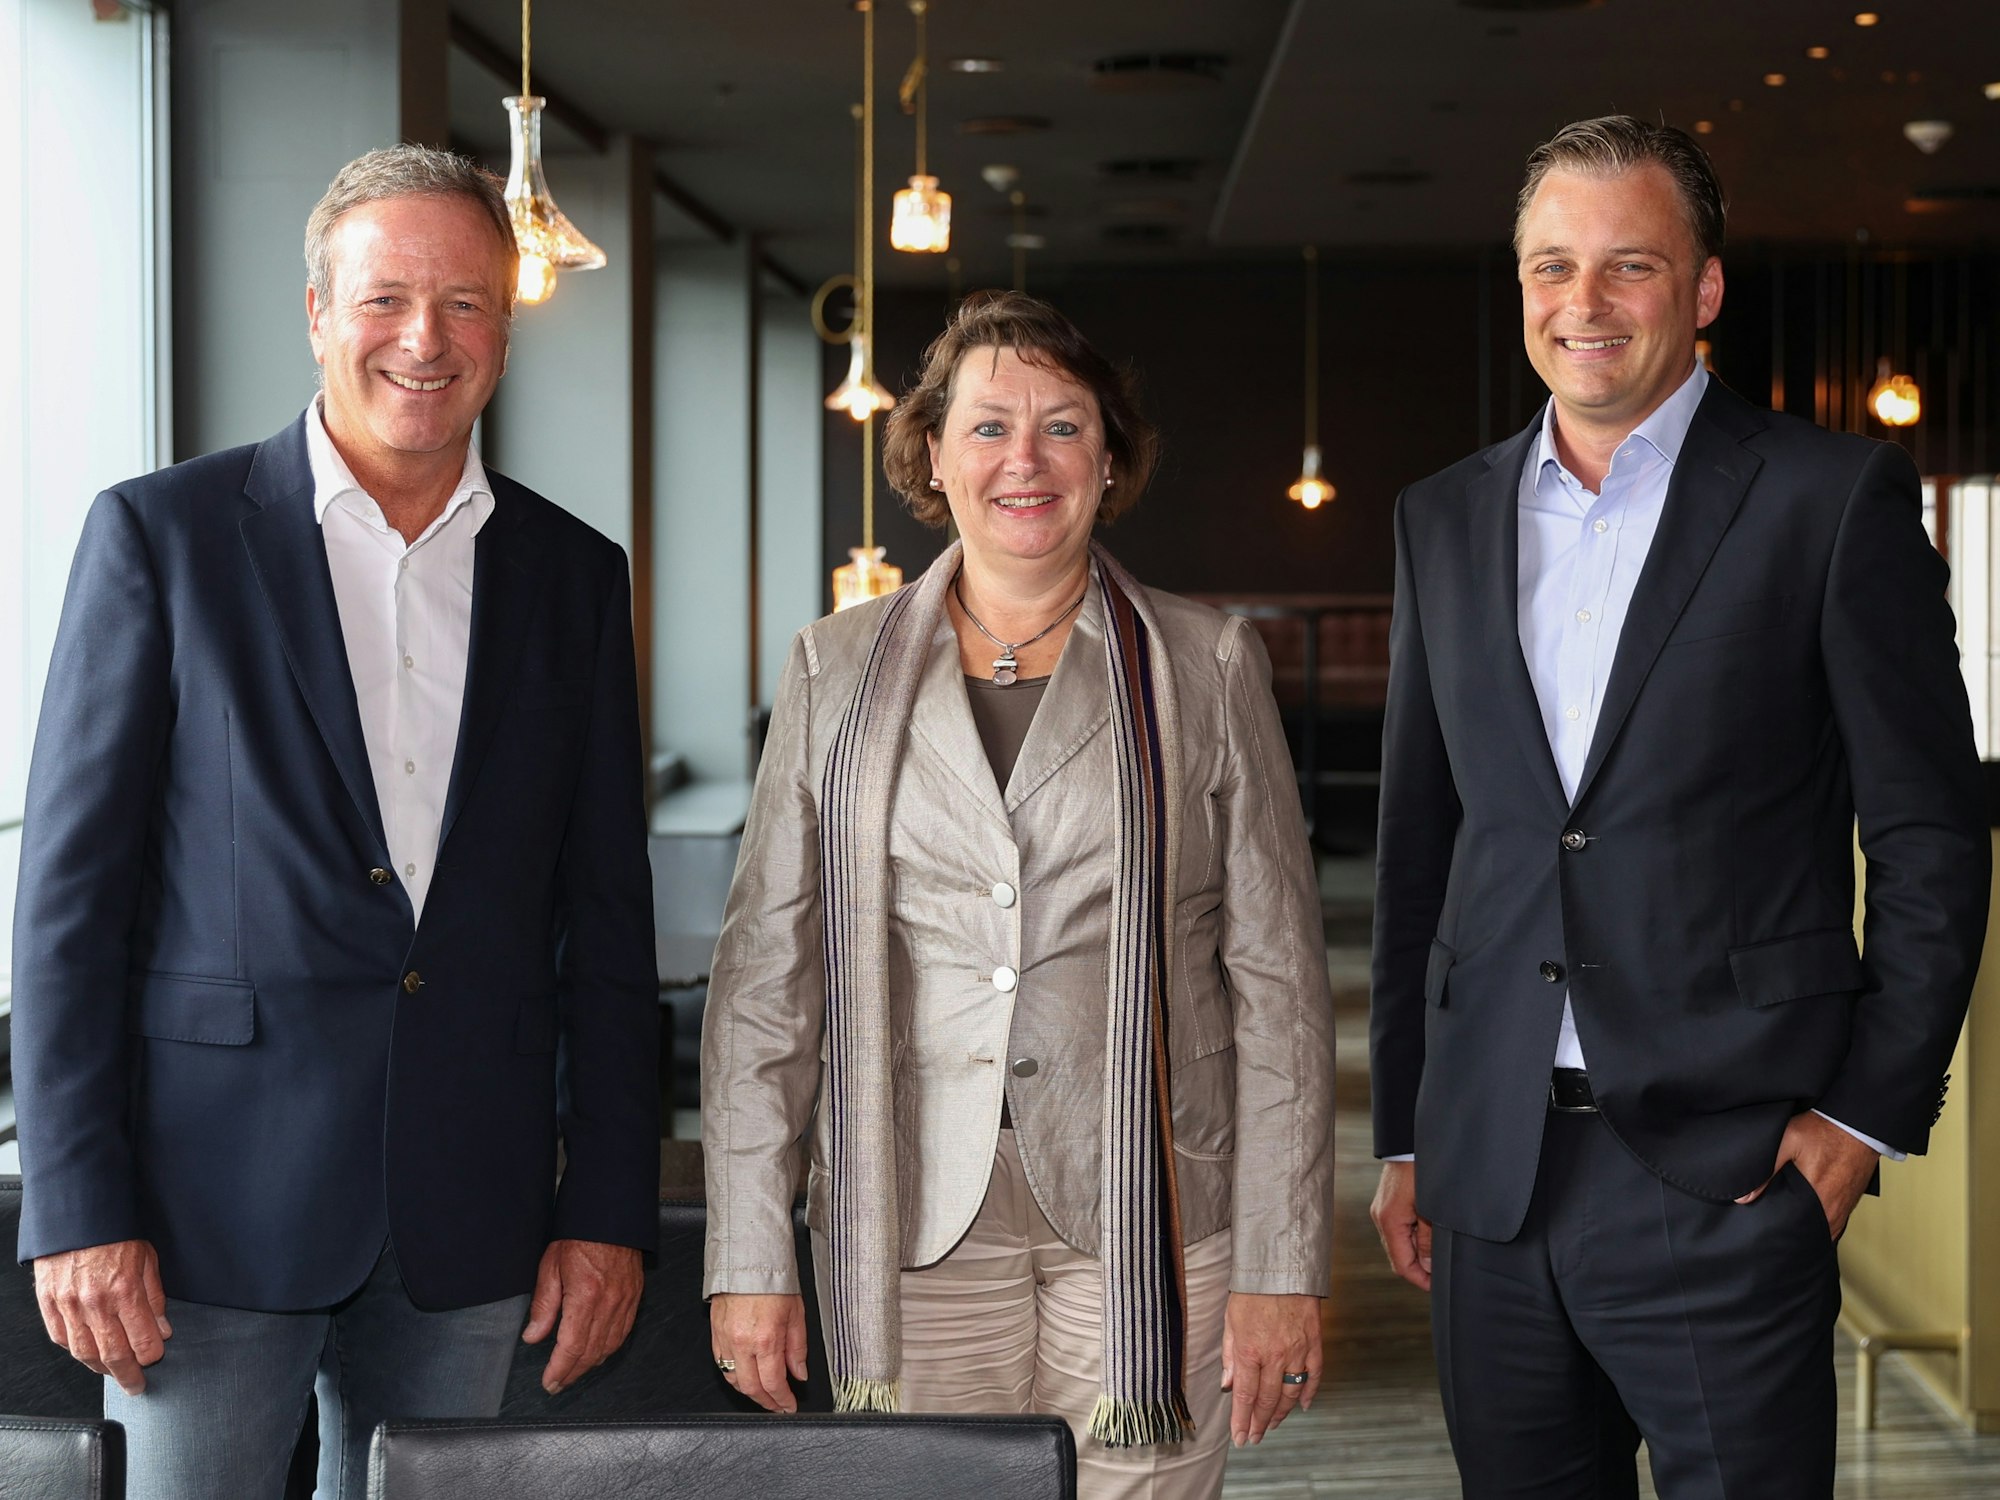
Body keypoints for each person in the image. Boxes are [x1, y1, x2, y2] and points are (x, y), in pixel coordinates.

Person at [12, 145, 660, 1500]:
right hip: (202, 1216)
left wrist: (608, 1210)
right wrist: (75, 1207)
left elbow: (606, 924)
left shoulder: (573, 577)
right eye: (385, 299)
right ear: (316, 314)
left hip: (472, 1215)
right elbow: (69, 905)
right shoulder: (162, 539)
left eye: (466, 302)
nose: (426, 339)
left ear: (504, 328)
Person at [1369, 115, 1990, 1498]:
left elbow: (1929, 837)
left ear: (1702, 288)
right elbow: (1424, 847)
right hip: (1490, 1172)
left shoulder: (1828, 500)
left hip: (1731, 1172)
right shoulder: (1441, 518)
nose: (1581, 302)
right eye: (1550, 266)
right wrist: (1408, 1131)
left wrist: (1866, 1116)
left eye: (1628, 265)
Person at [702, 291, 1336, 1498]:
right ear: (932, 457)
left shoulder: (1205, 663)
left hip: (1157, 1199)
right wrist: (747, 1255)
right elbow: (763, 989)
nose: (1024, 460)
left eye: (1062, 427)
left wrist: (1281, 1261)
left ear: (1110, 460)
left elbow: (1278, 988)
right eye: (988, 427)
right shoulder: (832, 668)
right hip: (904, 1215)